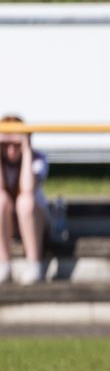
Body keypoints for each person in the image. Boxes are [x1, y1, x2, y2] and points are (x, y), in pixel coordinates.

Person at [0, 115, 49, 285]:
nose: (12, 150)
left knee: (25, 202)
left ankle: (34, 262)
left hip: (35, 221)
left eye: (16, 144)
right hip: (9, 222)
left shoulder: (38, 158)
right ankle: (3, 263)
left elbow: (28, 188)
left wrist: (26, 150)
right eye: (6, 144)